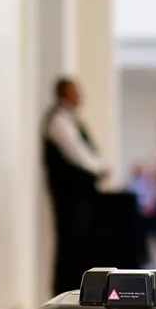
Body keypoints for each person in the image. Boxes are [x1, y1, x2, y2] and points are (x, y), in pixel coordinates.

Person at [43, 76, 107, 296]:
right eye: (75, 91)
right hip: (70, 194)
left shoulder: (69, 118)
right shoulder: (58, 120)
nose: (80, 95)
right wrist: (99, 168)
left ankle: (75, 289)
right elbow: (77, 153)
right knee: (71, 242)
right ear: (64, 94)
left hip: (79, 194)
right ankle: (65, 291)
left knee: (78, 243)